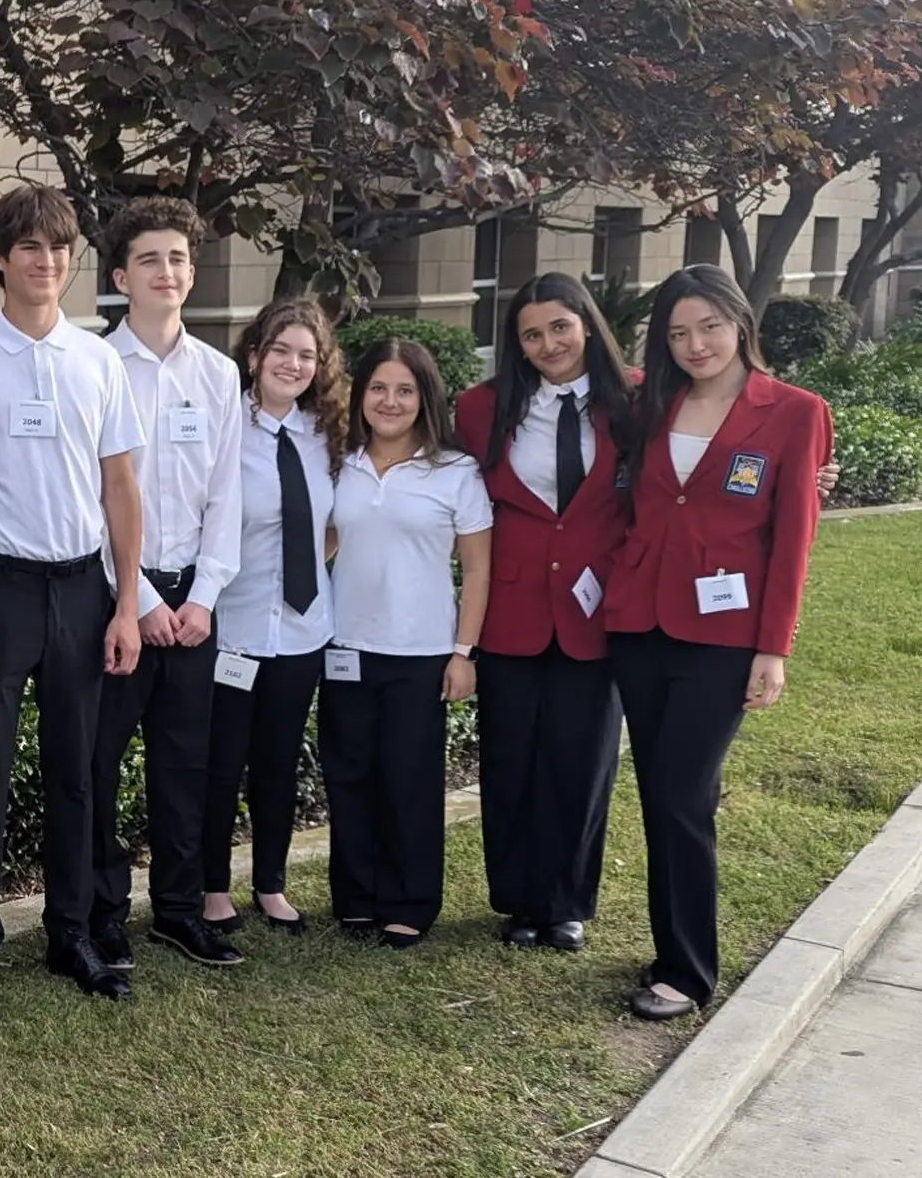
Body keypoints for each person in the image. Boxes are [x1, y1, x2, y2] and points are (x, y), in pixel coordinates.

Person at [0, 183, 147, 1012]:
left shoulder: (98, 362)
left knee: (77, 773)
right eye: (28, 249)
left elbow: (121, 486)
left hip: (83, 590)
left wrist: (125, 606)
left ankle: (70, 933)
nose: (46, 263)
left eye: (58, 249)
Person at [605, 264, 832, 1021]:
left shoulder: (795, 413)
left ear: (740, 322)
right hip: (638, 624)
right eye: (677, 333)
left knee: (682, 793)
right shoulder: (649, 402)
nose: (695, 344)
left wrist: (775, 648)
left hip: (724, 637)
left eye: (708, 326)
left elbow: (793, 538)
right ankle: (672, 951)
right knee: (661, 794)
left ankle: (688, 971)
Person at [453, 275, 636, 955]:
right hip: (510, 611)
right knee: (511, 760)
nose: (548, 344)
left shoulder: (638, 400)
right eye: (532, 334)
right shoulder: (481, 409)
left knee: (581, 763)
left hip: (599, 612)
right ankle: (518, 901)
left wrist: (816, 470)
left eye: (560, 327)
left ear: (587, 323)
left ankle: (566, 903)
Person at [90, 197, 246, 971]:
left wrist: (203, 598)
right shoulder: (92, 367)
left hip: (192, 606)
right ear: (122, 276)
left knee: (185, 767)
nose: (168, 271)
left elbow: (229, 495)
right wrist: (143, 601)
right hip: (118, 601)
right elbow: (88, 496)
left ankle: (179, 911)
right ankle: (104, 910)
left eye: (180, 258)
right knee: (101, 759)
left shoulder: (219, 375)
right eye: (150, 259)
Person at [320, 339, 492, 947]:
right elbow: (330, 541)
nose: (389, 402)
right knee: (349, 774)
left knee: (409, 780)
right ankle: (357, 898)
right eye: (378, 389)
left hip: (421, 651)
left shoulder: (455, 472)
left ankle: (409, 900)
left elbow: (476, 569)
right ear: (360, 395)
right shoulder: (341, 464)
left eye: (404, 390)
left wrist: (463, 652)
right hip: (343, 646)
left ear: (425, 398)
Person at [202, 296, 347, 934]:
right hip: (232, 627)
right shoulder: (224, 426)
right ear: (255, 356)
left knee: (280, 761)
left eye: (306, 355)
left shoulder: (327, 437)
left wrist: (308, 569)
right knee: (221, 761)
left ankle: (271, 884)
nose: (293, 364)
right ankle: (211, 888)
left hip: (302, 630)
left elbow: (333, 526)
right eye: (280, 350)